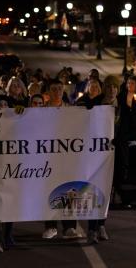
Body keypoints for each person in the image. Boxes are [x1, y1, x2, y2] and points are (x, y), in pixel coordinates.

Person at [85, 75, 120, 245]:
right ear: (104, 88)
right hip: (96, 154)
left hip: (114, 154)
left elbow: (134, 127)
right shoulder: (94, 104)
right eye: (109, 87)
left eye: (115, 87)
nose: (112, 90)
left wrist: (119, 139)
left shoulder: (123, 106)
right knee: (94, 190)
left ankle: (101, 225)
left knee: (107, 191)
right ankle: (92, 229)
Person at [42, 79, 79, 239]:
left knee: (68, 190)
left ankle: (69, 227)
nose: (57, 91)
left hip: (66, 158)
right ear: (48, 92)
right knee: (48, 190)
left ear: (63, 91)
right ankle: (50, 226)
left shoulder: (71, 110)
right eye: (53, 89)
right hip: (47, 158)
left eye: (59, 89)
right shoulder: (41, 111)